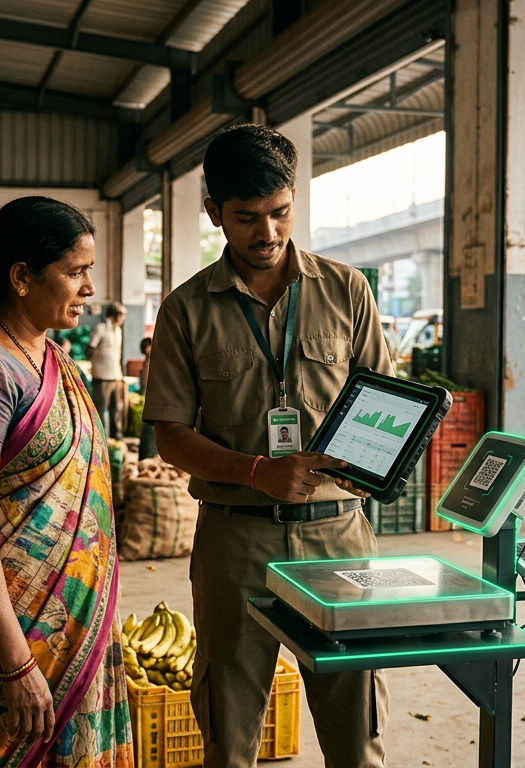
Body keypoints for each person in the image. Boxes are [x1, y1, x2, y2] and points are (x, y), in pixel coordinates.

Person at [143, 124, 394, 768]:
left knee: (355, 730)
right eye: (247, 218)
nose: (268, 233)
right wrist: (256, 472)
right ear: (215, 214)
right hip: (236, 540)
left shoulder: (347, 291)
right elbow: (170, 433)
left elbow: (380, 400)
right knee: (229, 731)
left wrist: (381, 460)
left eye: (280, 213)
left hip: (339, 537)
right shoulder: (185, 311)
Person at [0, 196, 132, 767]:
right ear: (20, 277)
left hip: (72, 624)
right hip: (8, 640)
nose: (89, 288)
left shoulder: (50, 355)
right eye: (76, 272)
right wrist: (16, 660)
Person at [85, 302, 127, 439]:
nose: (123, 318)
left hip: (116, 376)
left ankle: (116, 437)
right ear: (114, 315)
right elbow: (89, 349)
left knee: (117, 409)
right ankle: (101, 439)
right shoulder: (100, 329)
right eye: (121, 315)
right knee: (101, 409)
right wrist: (96, 363)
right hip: (102, 376)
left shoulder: (118, 331)